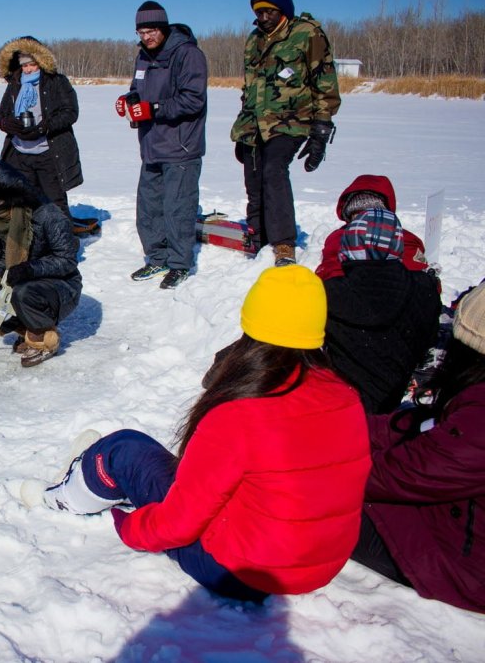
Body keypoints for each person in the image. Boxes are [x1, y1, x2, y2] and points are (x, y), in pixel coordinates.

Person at [38, 265, 370, 601]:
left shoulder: (240, 411)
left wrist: (129, 527)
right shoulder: (345, 397)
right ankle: (89, 475)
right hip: (319, 567)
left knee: (124, 448)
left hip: (239, 573)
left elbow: (178, 525)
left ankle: (63, 496)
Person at [351, 281, 485, 613]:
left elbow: (400, 473)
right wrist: (337, 425)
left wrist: (306, 458)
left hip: (464, 568)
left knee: (315, 495)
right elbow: (415, 427)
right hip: (457, 530)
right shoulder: (473, 403)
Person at [230, 0, 341, 267]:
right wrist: (243, 123)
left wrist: (321, 129)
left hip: (292, 121)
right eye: (259, 12)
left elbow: (324, 82)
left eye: (270, 11)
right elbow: (250, 85)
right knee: (253, 175)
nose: (264, 17)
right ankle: (258, 233)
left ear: (283, 9)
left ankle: (283, 243)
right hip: (255, 122)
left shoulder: (307, 34)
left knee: (273, 169)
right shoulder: (254, 39)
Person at [119, 1, 208, 290]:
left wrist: (153, 108)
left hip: (181, 147)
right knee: (148, 208)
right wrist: (129, 101)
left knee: (178, 208)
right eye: (142, 31)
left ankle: (180, 264)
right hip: (151, 146)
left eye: (152, 30)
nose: (147, 37)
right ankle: (157, 258)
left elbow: (193, 99)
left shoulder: (188, 55)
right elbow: (137, 90)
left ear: (164, 28)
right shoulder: (143, 57)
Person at [0, 160, 82, 367]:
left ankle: (44, 338)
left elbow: (67, 260)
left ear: (12, 197)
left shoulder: (49, 215)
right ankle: (28, 330)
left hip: (62, 285)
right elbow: (5, 256)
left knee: (24, 293)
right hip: (28, 279)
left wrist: (30, 268)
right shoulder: (4, 219)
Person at [323, 207, 441, 414]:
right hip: (391, 401)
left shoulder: (329, 293)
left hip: (340, 405)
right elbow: (428, 342)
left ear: (349, 246)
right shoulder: (424, 288)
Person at [0, 37, 93, 236]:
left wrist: (44, 127)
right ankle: (32, 244)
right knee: (24, 203)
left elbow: (70, 112)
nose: (29, 69)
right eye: (25, 66)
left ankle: (64, 249)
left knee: (55, 201)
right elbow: (0, 116)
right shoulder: (15, 85)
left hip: (49, 153)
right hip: (19, 154)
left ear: (41, 62)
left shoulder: (57, 82)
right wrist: (10, 125)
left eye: (32, 64)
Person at [316, 175, 429, 280]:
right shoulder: (337, 238)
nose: (365, 221)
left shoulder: (406, 239)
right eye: (358, 214)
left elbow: (327, 276)